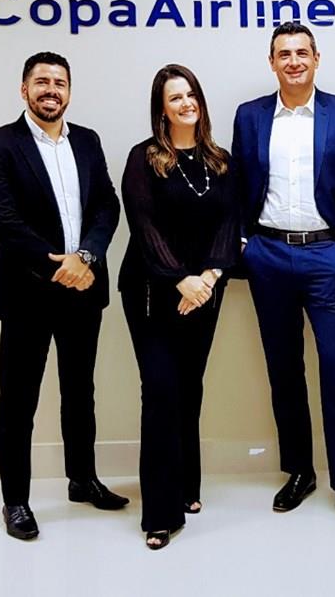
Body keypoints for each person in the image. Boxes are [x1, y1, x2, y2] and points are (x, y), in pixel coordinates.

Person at [230, 22, 335, 533]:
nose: (293, 61)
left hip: (326, 257)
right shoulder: (250, 116)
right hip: (268, 255)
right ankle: (300, 471)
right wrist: (245, 244)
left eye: (301, 53)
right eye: (283, 54)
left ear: (317, 59)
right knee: (284, 370)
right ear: (271, 63)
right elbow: (238, 185)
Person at [0, 51, 128, 541]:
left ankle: (82, 480)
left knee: (79, 391)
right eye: (41, 82)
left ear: (69, 91)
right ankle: (15, 501)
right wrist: (60, 267)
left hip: (84, 287)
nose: (51, 90)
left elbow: (106, 205)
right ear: (24, 89)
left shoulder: (87, 140)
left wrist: (86, 257)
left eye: (59, 83)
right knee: (18, 400)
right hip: (26, 290)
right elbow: (3, 219)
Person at [118, 64, 239, 550]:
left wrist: (208, 278)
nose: (186, 103)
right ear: (162, 109)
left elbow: (230, 223)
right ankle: (159, 514)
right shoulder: (144, 158)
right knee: (161, 393)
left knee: (189, 389)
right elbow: (143, 223)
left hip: (205, 292)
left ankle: (187, 485)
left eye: (191, 95)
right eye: (175, 97)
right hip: (152, 291)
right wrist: (181, 280)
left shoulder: (219, 161)